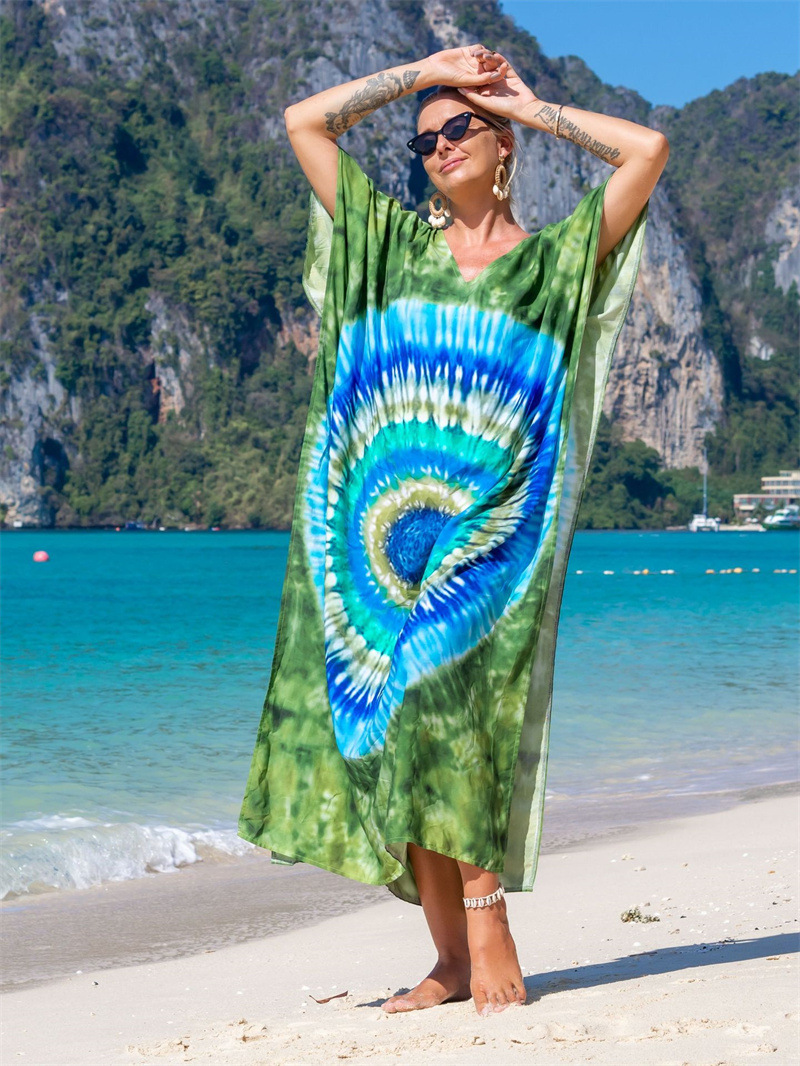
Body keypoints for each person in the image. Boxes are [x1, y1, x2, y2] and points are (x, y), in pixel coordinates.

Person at [238, 44, 667, 1018]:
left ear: (501, 143)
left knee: (447, 708)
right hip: (380, 534)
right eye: (423, 139)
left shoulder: (553, 263)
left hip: (493, 528)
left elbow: (645, 151)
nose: (438, 145)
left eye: (459, 127)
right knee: (398, 728)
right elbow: (306, 124)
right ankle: (447, 958)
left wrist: (525, 102)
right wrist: (423, 70)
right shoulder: (390, 244)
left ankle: (485, 917)